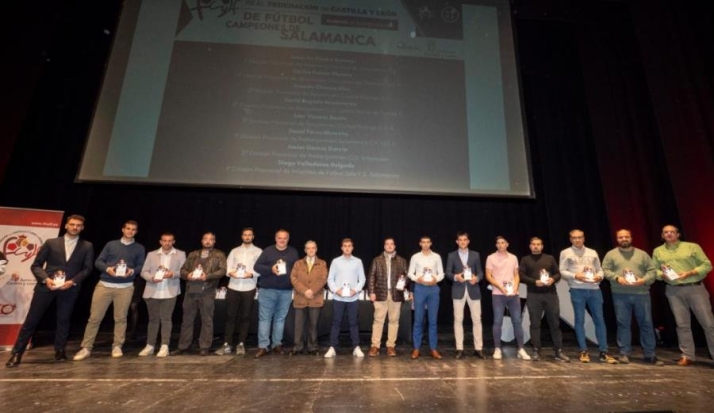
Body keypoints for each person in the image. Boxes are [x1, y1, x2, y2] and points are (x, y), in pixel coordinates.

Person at [6, 215, 94, 368]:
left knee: (63, 320)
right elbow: (36, 265)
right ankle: (17, 353)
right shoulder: (51, 243)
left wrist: (72, 281)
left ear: (82, 228)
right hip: (46, 287)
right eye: (72, 224)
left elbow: (87, 269)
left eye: (78, 225)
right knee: (32, 320)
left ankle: (59, 351)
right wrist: (46, 279)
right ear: (66, 225)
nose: (75, 227)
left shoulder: (87, 246)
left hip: (69, 288)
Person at [74, 220, 145, 361]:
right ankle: (86, 347)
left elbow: (140, 266)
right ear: (123, 229)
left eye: (133, 229)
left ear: (136, 232)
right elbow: (98, 262)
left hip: (125, 287)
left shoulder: (139, 248)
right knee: (94, 318)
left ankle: (117, 345)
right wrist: (108, 269)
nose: (130, 231)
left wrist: (131, 271)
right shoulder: (111, 244)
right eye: (128, 228)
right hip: (105, 285)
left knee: (121, 318)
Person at [652, 225, 714, 366]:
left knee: (709, 324)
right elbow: (654, 271)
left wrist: (690, 273)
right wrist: (664, 276)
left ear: (678, 234)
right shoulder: (658, 251)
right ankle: (688, 355)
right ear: (662, 235)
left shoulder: (692, 247)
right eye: (666, 232)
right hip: (673, 291)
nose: (669, 234)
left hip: (695, 288)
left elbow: (707, 265)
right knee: (682, 325)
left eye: (672, 232)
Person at [602, 229, 662, 366]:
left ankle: (650, 354)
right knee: (623, 324)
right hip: (620, 294)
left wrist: (644, 280)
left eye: (626, 237)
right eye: (621, 237)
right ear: (617, 239)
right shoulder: (611, 255)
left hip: (641, 294)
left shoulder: (642, 254)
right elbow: (605, 270)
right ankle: (624, 353)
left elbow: (652, 271)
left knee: (646, 324)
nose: (624, 239)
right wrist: (617, 278)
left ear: (631, 238)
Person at [559, 229, 617, 364]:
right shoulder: (565, 253)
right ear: (570, 239)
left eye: (580, 237)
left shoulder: (592, 252)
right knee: (579, 320)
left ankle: (604, 351)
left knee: (599, 320)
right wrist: (575, 276)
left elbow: (600, 269)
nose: (577, 240)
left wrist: (599, 277)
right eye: (574, 238)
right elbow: (562, 271)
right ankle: (583, 350)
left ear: (584, 238)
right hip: (577, 290)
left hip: (594, 290)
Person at [174, 232, 227, 356]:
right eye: (206, 239)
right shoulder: (193, 254)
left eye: (211, 239)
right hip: (191, 290)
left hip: (207, 291)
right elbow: (182, 270)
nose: (208, 241)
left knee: (207, 320)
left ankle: (205, 346)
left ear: (214, 241)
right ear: (202, 241)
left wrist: (207, 276)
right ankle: (183, 346)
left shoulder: (219, 254)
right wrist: (188, 275)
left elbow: (223, 271)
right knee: (187, 320)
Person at [519, 237, 569, 362]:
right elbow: (521, 276)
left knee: (555, 324)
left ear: (542, 246)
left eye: (538, 244)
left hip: (550, 295)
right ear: (530, 246)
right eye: (533, 244)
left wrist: (552, 279)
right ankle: (536, 350)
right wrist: (534, 282)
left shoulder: (550, 258)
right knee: (535, 324)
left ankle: (558, 351)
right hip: (534, 295)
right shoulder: (525, 259)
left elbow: (558, 273)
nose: (536, 246)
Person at [137, 232, 186, 358]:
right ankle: (150, 345)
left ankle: (165, 345)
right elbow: (143, 272)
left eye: (170, 241)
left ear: (173, 242)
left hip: (170, 291)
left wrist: (173, 274)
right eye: (164, 240)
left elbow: (183, 272)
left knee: (166, 319)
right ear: (160, 241)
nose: (167, 243)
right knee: (153, 320)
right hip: (153, 290)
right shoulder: (151, 254)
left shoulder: (180, 254)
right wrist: (152, 278)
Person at [215, 228, 262, 356]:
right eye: (245, 235)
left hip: (249, 287)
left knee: (245, 317)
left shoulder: (258, 251)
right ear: (242, 236)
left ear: (253, 237)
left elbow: (261, 269)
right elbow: (227, 268)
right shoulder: (234, 251)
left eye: (249, 235)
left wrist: (250, 274)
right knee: (230, 316)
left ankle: (241, 343)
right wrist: (232, 273)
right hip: (233, 287)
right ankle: (227, 344)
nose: (247, 237)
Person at [253, 229, 299, 358]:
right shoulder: (268, 251)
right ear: (275, 238)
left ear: (288, 239)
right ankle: (263, 346)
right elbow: (257, 267)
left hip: (286, 290)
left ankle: (277, 344)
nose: (282, 240)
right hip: (267, 290)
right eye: (280, 238)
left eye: (285, 238)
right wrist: (271, 269)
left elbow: (297, 270)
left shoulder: (293, 252)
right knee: (265, 318)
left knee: (280, 319)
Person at [485, 236, 531, 361]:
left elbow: (516, 275)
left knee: (517, 321)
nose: (500, 245)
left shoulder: (513, 257)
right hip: (498, 294)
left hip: (513, 294)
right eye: (498, 243)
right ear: (496, 245)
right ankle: (497, 348)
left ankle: (520, 349)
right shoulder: (491, 257)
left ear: (507, 244)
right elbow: (488, 276)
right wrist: (500, 287)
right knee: (498, 321)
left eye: (503, 243)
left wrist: (515, 287)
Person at [445, 231, 485, 359]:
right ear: (457, 242)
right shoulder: (451, 255)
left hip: (473, 290)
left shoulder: (475, 255)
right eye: (460, 240)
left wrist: (476, 278)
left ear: (468, 241)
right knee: (458, 320)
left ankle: (478, 348)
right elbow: (448, 273)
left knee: (477, 320)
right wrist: (456, 277)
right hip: (458, 290)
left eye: (465, 240)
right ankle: (459, 348)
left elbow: (481, 273)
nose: (462, 242)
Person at [367, 237, 410, 357]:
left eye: (392, 244)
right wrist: (371, 292)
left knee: (394, 321)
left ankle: (391, 346)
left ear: (394, 246)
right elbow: (371, 277)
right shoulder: (377, 260)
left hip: (396, 294)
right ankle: (375, 346)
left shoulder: (402, 261)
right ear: (384, 247)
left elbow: (407, 276)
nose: (389, 246)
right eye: (387, 244)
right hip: (380, 294)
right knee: (378, 320)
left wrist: (404, 283)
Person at [324, 238, 365, 358]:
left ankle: (356, 347)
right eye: (345, 246)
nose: (347, 248)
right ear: (341, 248)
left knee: (353, 323)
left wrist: (355, 290)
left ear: (352, 248)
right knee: (336, 322)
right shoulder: (336, 262)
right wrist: (337, 290)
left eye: (349, 246)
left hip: (353, 298)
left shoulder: (358, 262)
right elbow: (330, 278)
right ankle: (332, 347)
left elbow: (362, 279)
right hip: (338, 298)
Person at [408, 236, 444, 360]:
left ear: (431, 243)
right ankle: (416, 348)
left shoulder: (437, 257)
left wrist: (436, 279)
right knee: (418, 319)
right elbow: (410, 273)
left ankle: (433, 349)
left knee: (433, 320)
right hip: (420, 288)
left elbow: (441, 273)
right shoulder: (415, 257)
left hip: (433, 289)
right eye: (423, 242)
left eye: (428, 242)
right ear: (420, 243)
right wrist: (417, 278)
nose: (425, 244)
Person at [289, 240, 328, 356]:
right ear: (305, 250)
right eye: (308, 248)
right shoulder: (298, 264)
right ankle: (297, 347)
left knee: (313, 325)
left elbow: (323, 279)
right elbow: (293, 278)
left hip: (315, 298)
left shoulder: (322, 263)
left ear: (316, 249)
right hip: (301, 298)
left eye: (313, 248)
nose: (311, 250)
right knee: (298, 325)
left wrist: (312, 291)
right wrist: (304, 290)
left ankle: (313, 347)